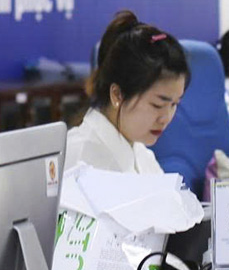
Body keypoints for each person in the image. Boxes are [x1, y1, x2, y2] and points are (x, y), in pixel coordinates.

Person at [66, 10, 190, 174]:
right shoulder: (76, 161)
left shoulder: (141, 153)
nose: (166, 118)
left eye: (174, 104)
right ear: (117, 94)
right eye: (158, 105)